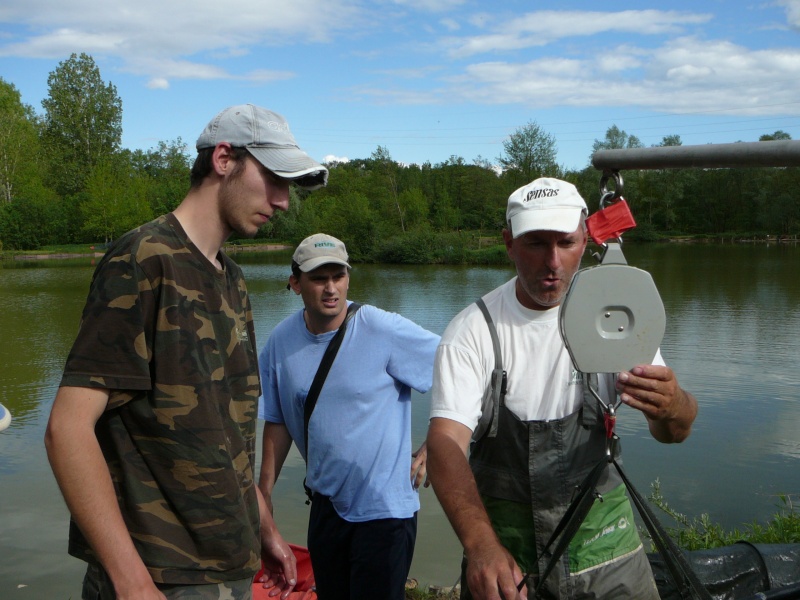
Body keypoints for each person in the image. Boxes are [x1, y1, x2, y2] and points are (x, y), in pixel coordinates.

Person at [44, 104, 328, 600]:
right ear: (224, 159)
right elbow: (67, 429)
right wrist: (131, 583)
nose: (283, 202)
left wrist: (263, 529)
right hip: (161, 576)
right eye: (275, 180)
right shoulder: (141, 261)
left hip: (230, 566)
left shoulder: (233, 281)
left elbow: (227, 431)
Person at [426, 177, 699, 600]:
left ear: (586, 240)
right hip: (507, 563)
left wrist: (673, 405)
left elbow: (674, 433)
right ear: (509, 243)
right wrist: (480, 546)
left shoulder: (615, 316)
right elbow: (445, 442)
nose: (552, 262)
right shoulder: (472, 331)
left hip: (606, 552)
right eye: (536, 243)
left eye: (566, 243)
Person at [257, 233, 440, 600]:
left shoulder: (381, 329)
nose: (330, 288)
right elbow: (278, 420)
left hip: (385, 509)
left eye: (338, 276)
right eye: (318, 278)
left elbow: (466, 372)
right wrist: (264, 495)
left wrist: (437, 442)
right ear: (295, 283)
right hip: (326, 506)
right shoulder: (280, 341)